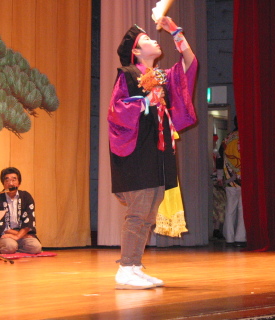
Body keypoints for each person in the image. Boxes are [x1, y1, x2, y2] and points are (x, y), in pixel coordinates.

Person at [108, 16, 197, 289]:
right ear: (136, 51)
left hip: (156, 151)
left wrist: (175, 31)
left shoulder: (161, 77)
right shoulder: (128, 74)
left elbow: (189, 64)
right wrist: (146, 99)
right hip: (137, 153)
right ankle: (125, 268)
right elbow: (117, 111)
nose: (154, 40)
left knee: (149, 213)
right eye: (147, 39)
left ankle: (134, 265)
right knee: (138, 211)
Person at [217, 116, 246, 247]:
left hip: (229, 179)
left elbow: (219, 157)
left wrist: (219, 176)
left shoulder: (227, 138)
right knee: (242, 209)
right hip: (243, 179)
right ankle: (241, 238)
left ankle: (229, 238)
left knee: (230, 209)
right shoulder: (246, 138)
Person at [0, 167, 42, 255]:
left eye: (13, 180)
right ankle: (12, 248)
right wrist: (17, 235)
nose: (10, 183)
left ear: (19, 183)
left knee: (36, 247)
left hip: (22, 234)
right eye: (7, 180)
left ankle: (16, 249)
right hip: (5, 235)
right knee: (10, 246)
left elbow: (29, 220)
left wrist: (19, 236)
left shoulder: (26, 196)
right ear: (3, 183)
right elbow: (2, 225)